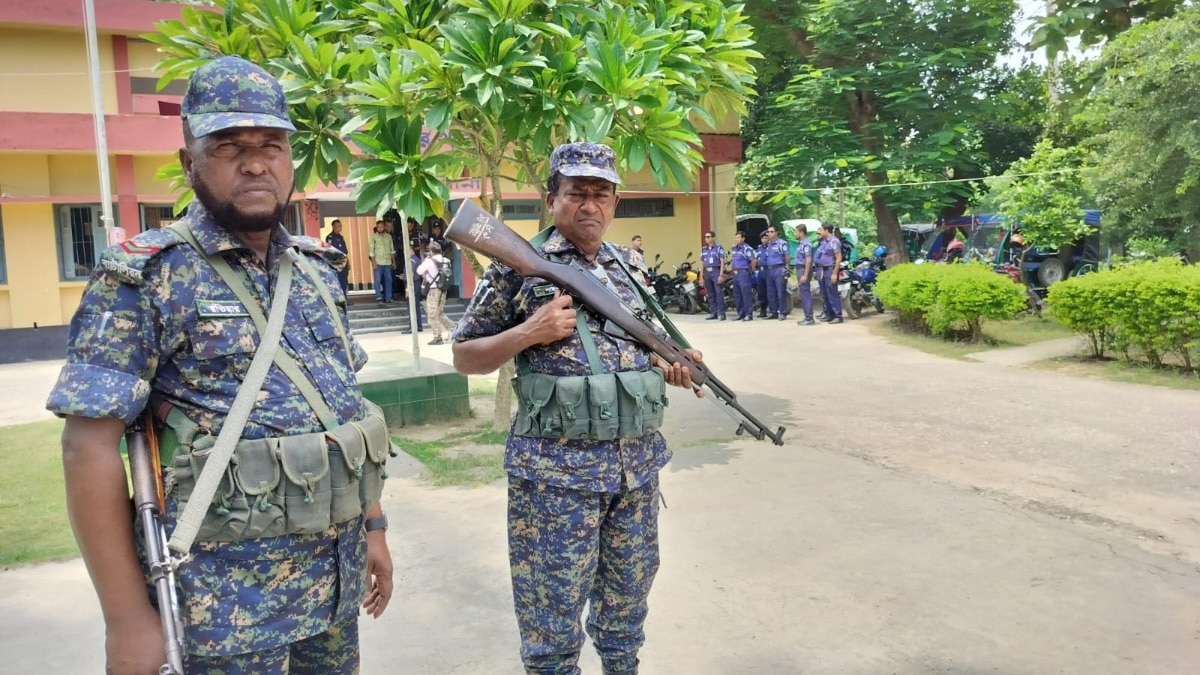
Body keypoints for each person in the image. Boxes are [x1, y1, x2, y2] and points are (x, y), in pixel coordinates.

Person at [45, 55, 392, 674]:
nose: (256, 162)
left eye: (271, 144)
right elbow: (88, 448)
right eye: (229, 145)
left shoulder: (318, 272)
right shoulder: (146, 276)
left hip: (334, 594)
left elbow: (345, 414)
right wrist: (126, 620)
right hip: (223, 611)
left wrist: (375, 529)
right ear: (189, 162)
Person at [451, 142, 703, 675]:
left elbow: (638, 345)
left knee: (625, 617)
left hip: (635, 475)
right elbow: (464, 356)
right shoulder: (517, 266)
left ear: (615, 203)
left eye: (601, 195)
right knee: (551, 627)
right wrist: (529, 331)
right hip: (555, 483)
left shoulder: (629, 266)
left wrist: (671, 363)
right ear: (552, 200)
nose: (590, 206)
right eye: (576, 194)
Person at [417, 241, 455, 345]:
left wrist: (426, 259)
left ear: (431, 251)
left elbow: (419, 271)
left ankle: (437, 337)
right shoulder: (446, 260)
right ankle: (453, 328)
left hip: (434, 290)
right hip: (443, 289)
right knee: (439, 312)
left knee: (432, 314)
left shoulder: (429, 261)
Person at [759, 226, 790, 320]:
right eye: (768, 232)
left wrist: (783, 266)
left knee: (780, 292)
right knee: (771, 293)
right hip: (769, 270)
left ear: (776, 232)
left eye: (772, 231)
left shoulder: (782, 243)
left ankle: (782, 312)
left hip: (778, 269)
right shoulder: (768, 244)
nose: (769, 233)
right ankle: (773, 312)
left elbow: (787, 257)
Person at [815, 222, 844, 323]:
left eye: (821, 230)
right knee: (825, 293)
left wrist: (835, 273)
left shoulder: (834, 241)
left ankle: (838, 315)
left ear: (826, 230)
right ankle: (829, 314)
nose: (820, 232)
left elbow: (838, 257)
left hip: (830, 269)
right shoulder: (826, 242)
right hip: (824, 269)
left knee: (832, 293)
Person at [729, 231, 757, 321]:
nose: (736, 239)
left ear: (743, 238)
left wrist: (752, 270)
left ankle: (748, 314)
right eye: (735, 237)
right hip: (735, 273)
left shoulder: (746, 248)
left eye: (738, 237)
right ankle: (740, 314)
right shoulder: (734, 248)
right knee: (737, 295)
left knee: (746, 294)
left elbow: (753, 260)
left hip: (743, 273)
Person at [700, 231, 727, 320]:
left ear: (713, 238)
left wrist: (721, 275)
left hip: (716, 271)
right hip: (707, 272)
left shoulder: (718, 248)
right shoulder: (704, 249)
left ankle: (722, 313)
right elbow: (702, 263)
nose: (706, 239)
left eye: (708, 237)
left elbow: (722, 261)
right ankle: (713, 313)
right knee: (710, 294)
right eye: (705, 237)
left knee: (719, 293)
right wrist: (701, 277)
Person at [793, 223, 815, 326]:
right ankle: (807, 316)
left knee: (805, 293)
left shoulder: (806, 243)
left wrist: (805, 274)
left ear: (801, 232)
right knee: (803, 293)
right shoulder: (801, 243)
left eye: (796, 231)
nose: (794, 233)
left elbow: (808, 259)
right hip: (800, 269)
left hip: (803, 270)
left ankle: (809, 318)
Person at [369, 219, 395, 303]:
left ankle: (388, 297)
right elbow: (371, 251)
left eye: (381, 227)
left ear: (384, 227)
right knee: (377, 280)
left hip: (387, 262)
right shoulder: (373, 237)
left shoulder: (389, 237)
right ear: (377, 228)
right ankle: (378, 296)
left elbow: (392, 250)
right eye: (378, 227)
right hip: (378, 263)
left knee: (389, 280)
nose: (380, 229)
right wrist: (373, 262)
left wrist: (393, 261)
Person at [324, 218, 350, 296]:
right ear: (333, 227)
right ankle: (339, 299)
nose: (340, 228)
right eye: (337, 226)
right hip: (336, 262)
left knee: (344, 281)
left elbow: (344, 252)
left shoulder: (341, 237)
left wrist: (348, 262)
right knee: (337, 281)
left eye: (340, 226)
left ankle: (345, 299)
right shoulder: (330, 237)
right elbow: (329, 251)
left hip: (344, 261)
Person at [754, 232, 770, 318]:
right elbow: (756, 259)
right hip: (761, 271)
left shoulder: (771, 247)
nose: (764, 240)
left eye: (766, 238)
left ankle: (772, 311)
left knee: (770, 292)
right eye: (762, 238)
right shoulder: (759, 248)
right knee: (761, 292)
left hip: (768, 271)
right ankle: (763, 311)